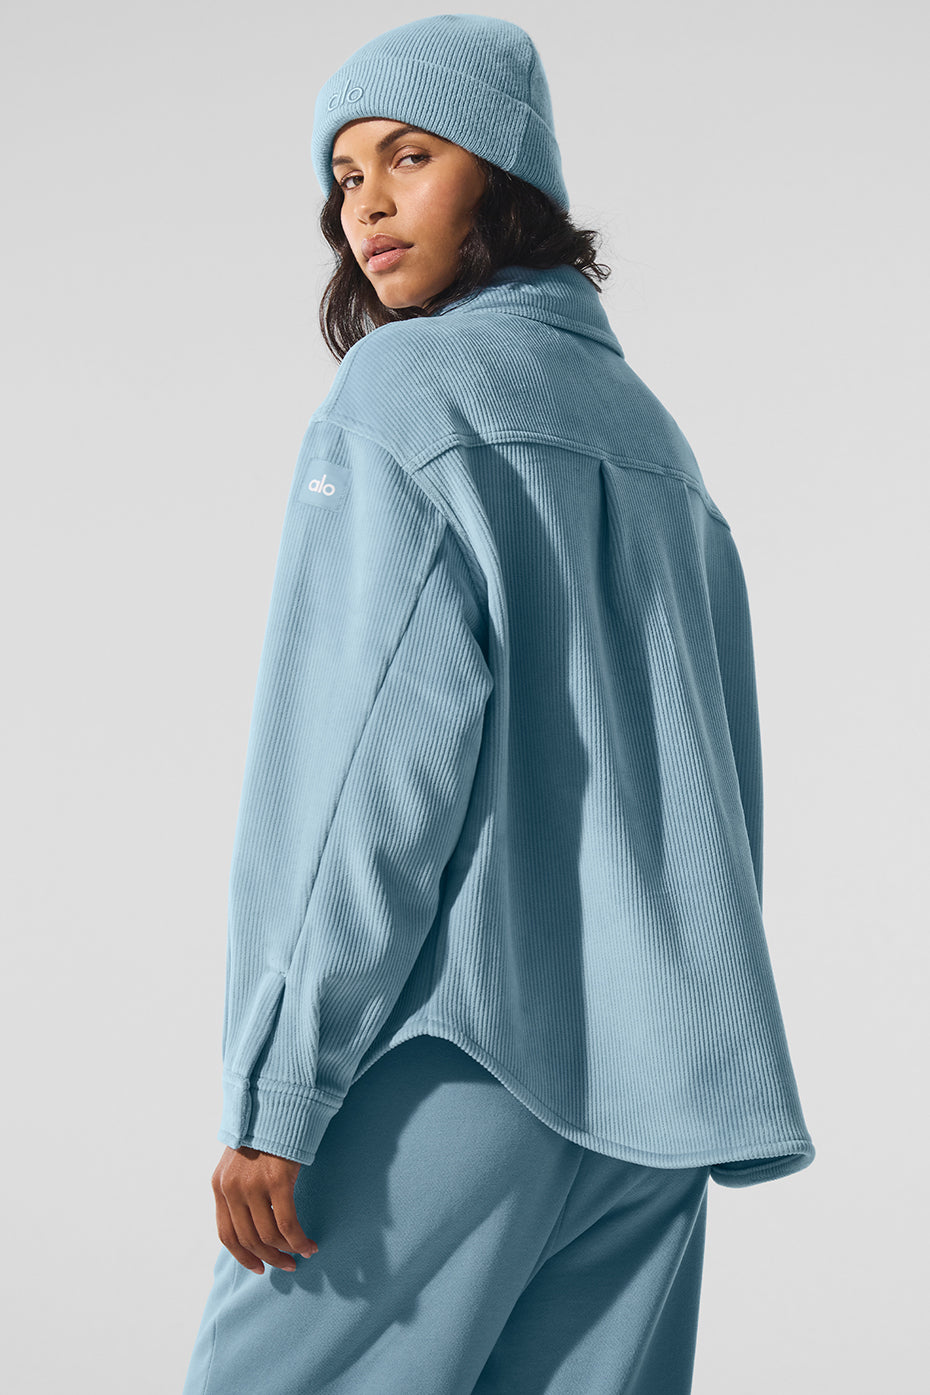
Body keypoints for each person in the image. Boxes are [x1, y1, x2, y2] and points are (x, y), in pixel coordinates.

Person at [181, 14, 816, 1395]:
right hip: (652, 1096)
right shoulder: (652, 437)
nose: (367, 204)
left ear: (507, 170)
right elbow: (714, 777)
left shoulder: (407, 390)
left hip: (455, 1056)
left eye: (411, 156)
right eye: (345, 174)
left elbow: (368, 762)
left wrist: (283, 1083)